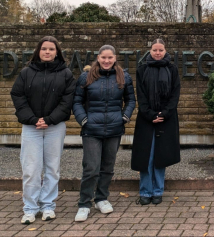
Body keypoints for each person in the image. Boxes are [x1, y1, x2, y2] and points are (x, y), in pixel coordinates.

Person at [10, 36, 76, 225]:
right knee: (31, 169)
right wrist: (32, 119)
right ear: (38, 51)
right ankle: (30, 208)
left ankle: (48, 205)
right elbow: (17, 95)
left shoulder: (65, 74)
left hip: (55, 128)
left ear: (57, 52)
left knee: (52, 168)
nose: (47, 52)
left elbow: (67, 100)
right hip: (31, 128)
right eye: (44, 49)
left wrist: (49, 119)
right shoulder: (26, 73)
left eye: (51, 49)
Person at [72, 45, 136, 222]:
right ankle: (84, 204)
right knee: (91, 168)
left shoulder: (124, 76)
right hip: (91, 130)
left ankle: (101, 198)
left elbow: (131, 100)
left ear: (115, 58)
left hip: (114, 129)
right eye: (103, 58)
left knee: (107, 168)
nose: (106, 61)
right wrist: (84, 120)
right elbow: (76, 102)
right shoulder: (86, 77)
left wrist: (124, 117)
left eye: (110, 58)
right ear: (98, 58)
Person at [131, 39, 181, 205]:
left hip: (166, 120)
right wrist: (150, 114)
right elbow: (141, 95)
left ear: (165, 51)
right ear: (150, 51)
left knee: (160, 157)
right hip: (146, 120)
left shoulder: (172, 69)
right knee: (147, 157)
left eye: (161, 50)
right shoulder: (142, 69)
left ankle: (158, 191)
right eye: (155, 50)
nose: (158, 53)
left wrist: (164, 114)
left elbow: (175, 95)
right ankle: (145, 192)